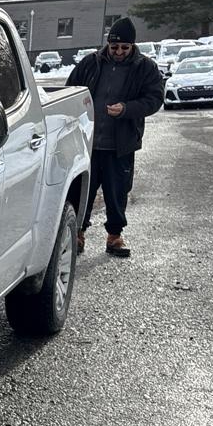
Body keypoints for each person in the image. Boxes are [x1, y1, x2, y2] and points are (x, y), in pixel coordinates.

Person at [66, 17, 164, 258]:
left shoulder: (145, 68)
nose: (119, 52)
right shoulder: (91, 63)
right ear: (108, 44)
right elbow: (70, 90)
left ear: (132, 46)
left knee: (117, 191)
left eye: (124, 48)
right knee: (81, 192)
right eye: (115, 47)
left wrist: (127, 109)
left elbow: (154, 99)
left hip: (121, 144)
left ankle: (114, 235)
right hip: (88, 143)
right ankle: (77, 232)